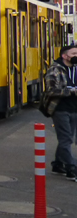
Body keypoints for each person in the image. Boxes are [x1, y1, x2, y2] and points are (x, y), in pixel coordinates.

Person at [46, 43, 77, 180]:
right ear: (65, 56)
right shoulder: (55, 70)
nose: (76, 56)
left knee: (67, 138)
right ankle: (72, 168)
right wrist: (70, 91)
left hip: (74, 109)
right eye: (73, 54)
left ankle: (58, 164)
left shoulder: (76, 69)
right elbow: (51, 90)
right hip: (60, 109)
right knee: (66, 139)